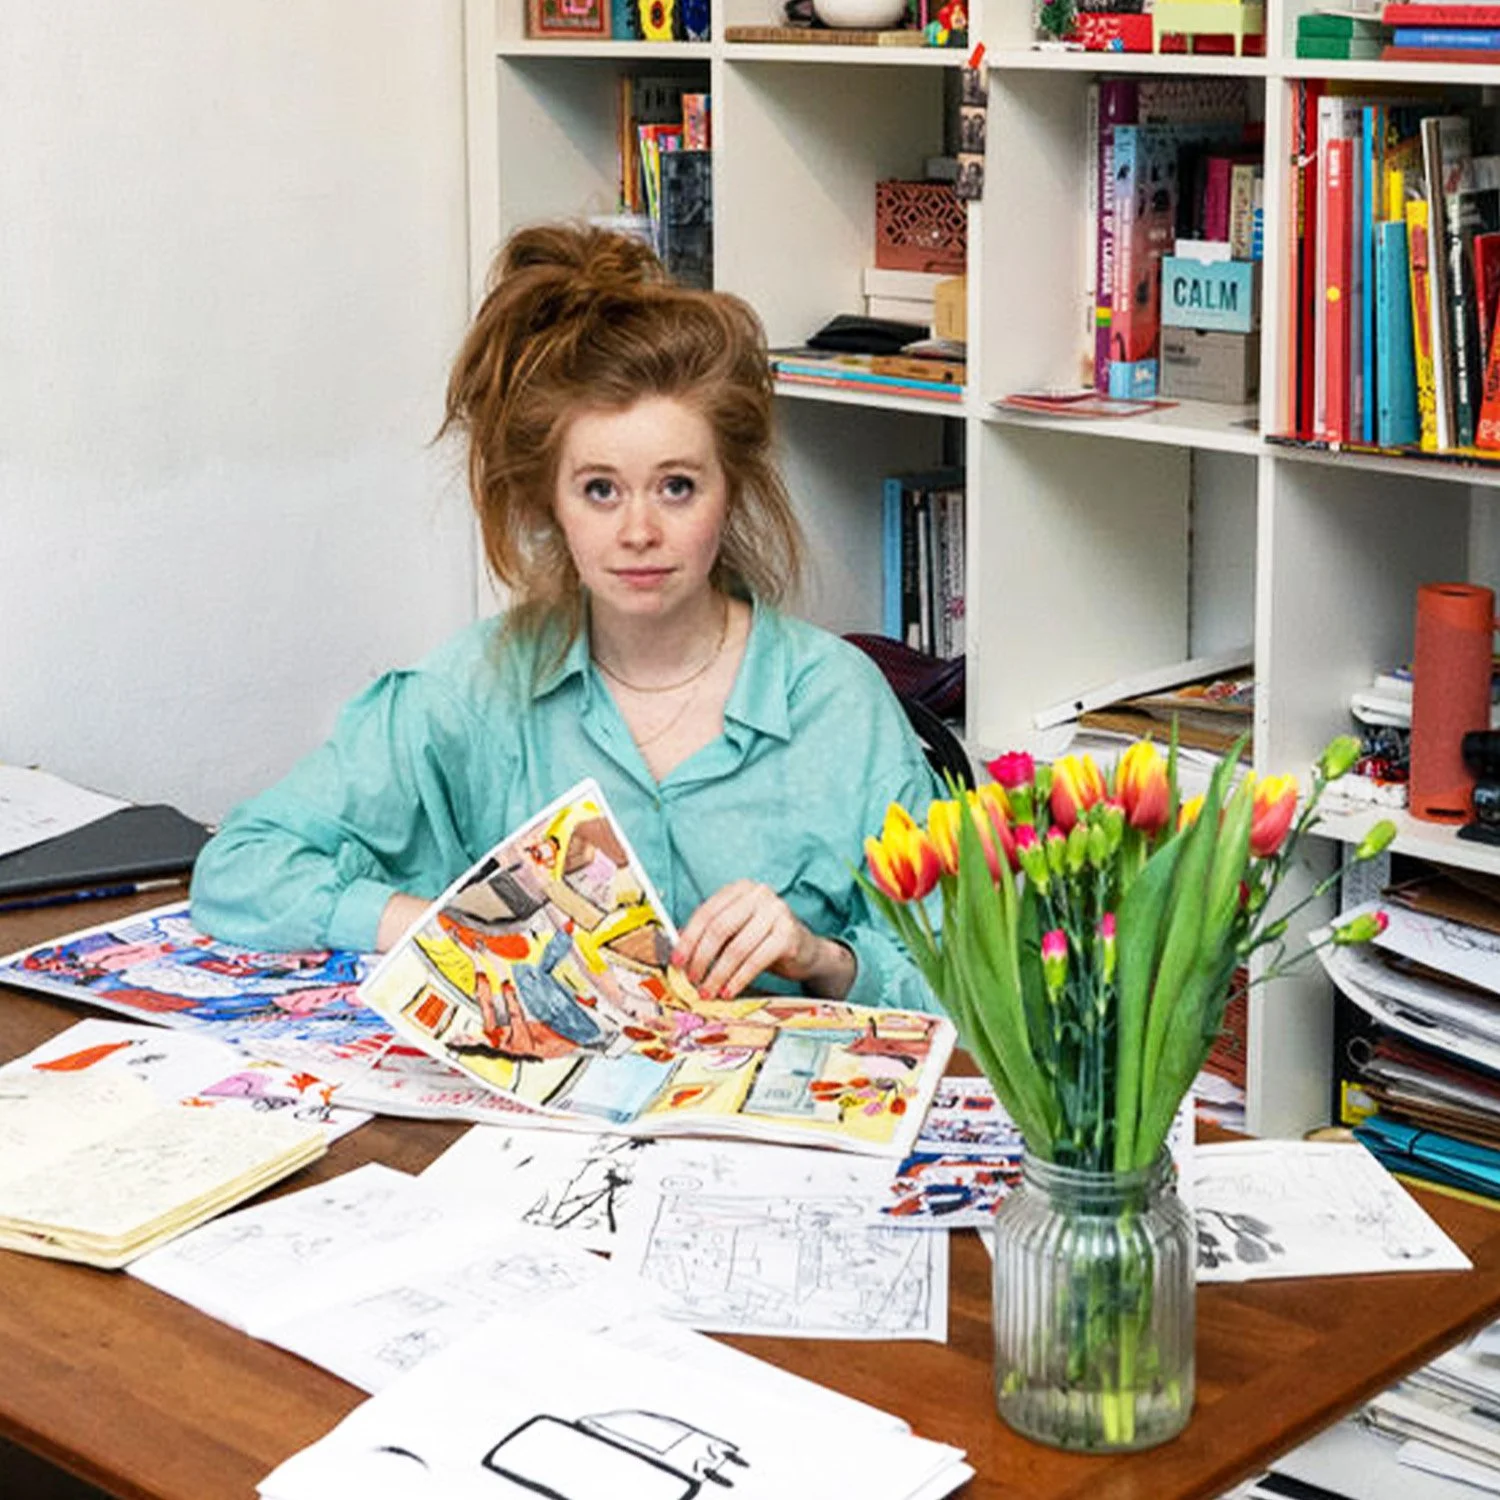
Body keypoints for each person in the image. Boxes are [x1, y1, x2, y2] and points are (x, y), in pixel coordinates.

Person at [190, 221, 945, 1013]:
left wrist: (823, 958)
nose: (639, 531)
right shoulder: (473, 689)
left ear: (733, 490)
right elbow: (242, 865)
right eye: (600, 489)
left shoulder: (840, 704)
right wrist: (450, 927)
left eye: (678, 485)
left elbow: (978, 987)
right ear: (548, 501)